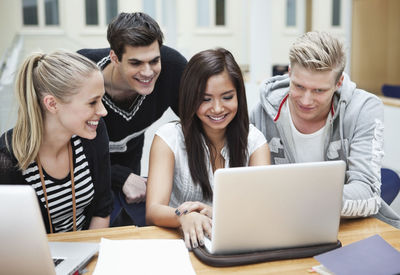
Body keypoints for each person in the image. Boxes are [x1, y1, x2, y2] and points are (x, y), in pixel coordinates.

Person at [250, 31, 400, 228]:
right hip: (282, 227)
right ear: (289, 73)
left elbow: (369, 194)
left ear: (338, 83)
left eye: (319, 90)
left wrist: (302, 202)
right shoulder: (262, 111)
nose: (305, 100)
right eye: (299, 86)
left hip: (348, 229)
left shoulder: (363, 109)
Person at [146, 48, 271, 248]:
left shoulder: (254, 141)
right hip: (181, 244)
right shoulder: (169, 138)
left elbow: (262, 210)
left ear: (239, 95)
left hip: (236, 244)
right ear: (190, 98)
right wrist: (184, 216)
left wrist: (216, 214)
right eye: (205, 99)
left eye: (227, 97)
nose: (218, 108)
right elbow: (153, 211)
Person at [78, 12, 187, 227]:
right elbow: (61, 147)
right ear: (115, 57)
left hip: (133, 184)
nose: (148, 72)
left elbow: (201, 120)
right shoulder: (81, 71)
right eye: (136, 63)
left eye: (154, 60)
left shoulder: (172, 68)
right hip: (82, 181)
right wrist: (120, 176)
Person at [0, 50, 112, 233]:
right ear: (52, 104)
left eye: (101, 99)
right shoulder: (6, 159)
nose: (103, 111)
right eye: (92, 102)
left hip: (88, 249)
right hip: (37, 258)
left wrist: (88, 257)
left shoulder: (94, 132)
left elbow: (102, 208)